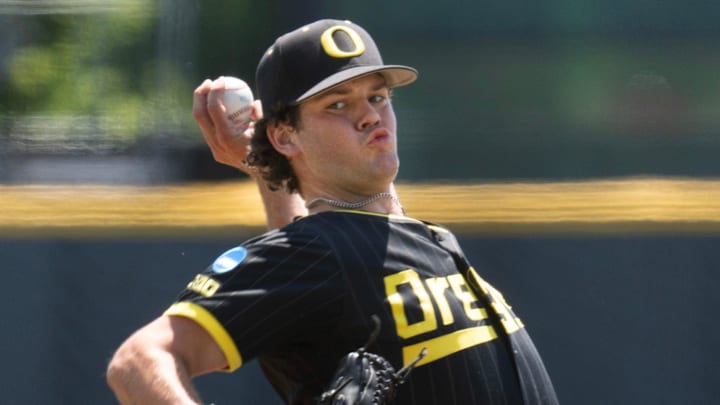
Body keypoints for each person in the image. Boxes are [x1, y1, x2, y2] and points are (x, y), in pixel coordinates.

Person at [106, 19, 559, 404]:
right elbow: (139, 361)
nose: (369, 116)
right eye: (338, 104)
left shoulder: (419, 240)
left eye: (377, 97)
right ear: (285, 137)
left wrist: (270, 176)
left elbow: (327, 279)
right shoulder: (315, 252)